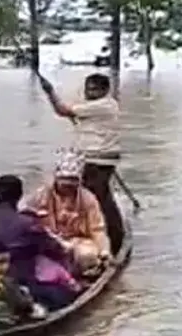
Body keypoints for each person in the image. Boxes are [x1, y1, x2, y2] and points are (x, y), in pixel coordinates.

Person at [36, 71, 125, 254]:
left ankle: (111, 240)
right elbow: (75, 116)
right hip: (99, 158)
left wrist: (50, 92)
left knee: (97, 199)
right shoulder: (102, 106)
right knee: (101, 197)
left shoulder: (102, 106)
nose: (88, 93)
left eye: (93, 90)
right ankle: (103, 234)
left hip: (97, 159)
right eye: (87, 89)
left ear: (104, 91)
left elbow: (63, 110)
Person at [0, 174, 76, 311]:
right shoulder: (28, 224)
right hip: (19, 282)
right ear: (20, 195)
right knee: (65, 296)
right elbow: (55, 249)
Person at [23, 150, 110, 276]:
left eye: (72, 182)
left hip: (78, 241)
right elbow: (27, 219)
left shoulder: (88, 199)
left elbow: (97, 230)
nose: (68, 186)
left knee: (87, 255)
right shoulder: (40, 196)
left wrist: (104, 251)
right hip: (48, 239)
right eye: (64, 181)